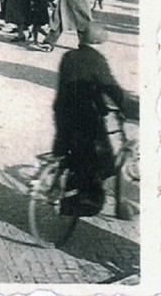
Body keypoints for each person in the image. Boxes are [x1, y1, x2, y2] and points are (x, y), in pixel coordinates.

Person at [52, 24, 122, 216]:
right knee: (104, 162)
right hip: (86, 119)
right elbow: (112, 89)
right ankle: (84, 202)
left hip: (63, 115)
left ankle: (67, 189)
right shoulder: (97, 60)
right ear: (98, 42)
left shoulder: (69, 56)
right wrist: (129, 107)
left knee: (73, 154)